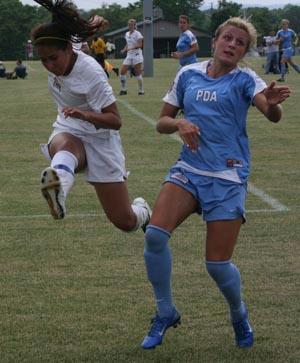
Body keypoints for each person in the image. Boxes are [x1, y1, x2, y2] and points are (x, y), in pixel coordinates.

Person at [140, 17, 290, 350]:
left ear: (244, 52)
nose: (233, 44)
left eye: (240, 43)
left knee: (217, 265)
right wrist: (179, 123)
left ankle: (238, 313)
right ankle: (166, 311)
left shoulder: (245, 79)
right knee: (154, 235)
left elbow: (269, 111)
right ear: (216, 41)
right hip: (189, 170)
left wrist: (274, 105)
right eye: (228, 38)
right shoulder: (187, 74)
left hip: (227, 176)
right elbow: (162, 121)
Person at [31, 0, 151, 234]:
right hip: (69, 127)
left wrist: (83, 114)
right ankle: (59, 190)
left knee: (125, 221)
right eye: (43, 59)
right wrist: (94, 22)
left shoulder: (91, 73)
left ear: (68, 49)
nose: (48, 65)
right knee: (63, 143)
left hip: (100, 137)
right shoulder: (66, 46)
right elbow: (78, 30)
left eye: (53, 58)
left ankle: (143, 211)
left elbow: (115, 121)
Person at [119, 19, 144, 96]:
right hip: (129, 55)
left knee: (138, 74)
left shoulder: (138, 34)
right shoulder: (126, 34)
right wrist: (124, 49)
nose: (130, 26)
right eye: (129, 25)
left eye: (132, 25)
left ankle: (141, 90)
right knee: (122, 72)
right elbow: (128, 43)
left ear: (134, 25)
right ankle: (124, 90)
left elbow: (140, 45)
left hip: (137, 55)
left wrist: (131, 48)